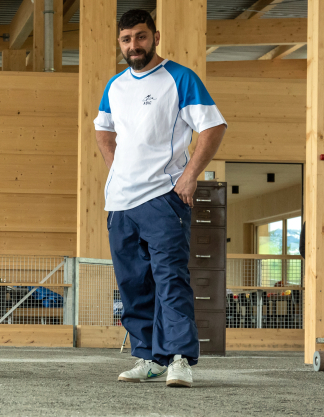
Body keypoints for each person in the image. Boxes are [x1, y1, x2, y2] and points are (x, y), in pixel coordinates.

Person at [94, 10, 228, 388]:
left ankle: (180, 358)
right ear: (119, 42)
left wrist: (190, 176)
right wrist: (115, 168)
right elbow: (103, 130)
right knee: (133, 282)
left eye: (140, 37)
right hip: (120, 202)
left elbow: (214, 126)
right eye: (126, 39)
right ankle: (149, 356)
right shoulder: (116, 86)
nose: (133, 45)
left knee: (170, 279)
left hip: (162, 197)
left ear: (155, 36)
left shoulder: (179, 78)